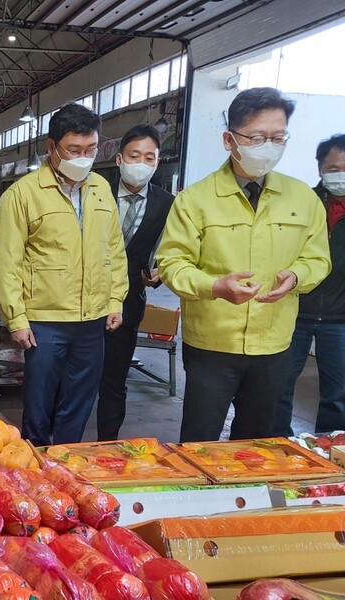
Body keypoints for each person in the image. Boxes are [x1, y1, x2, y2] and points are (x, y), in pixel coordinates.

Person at [156, 87, 331, 443]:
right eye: (257, 137)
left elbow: (317, 258)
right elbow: (173, 263)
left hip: (274, 343)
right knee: (200, 440)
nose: (269, 146)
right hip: (212, 343)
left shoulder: (304, 199)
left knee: (257, 442)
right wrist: (214, 286)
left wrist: (297, 276)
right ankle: (199, 497)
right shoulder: (196, 200)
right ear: (229, 140)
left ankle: (247, 499)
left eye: (278, 137)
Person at [0, 103, 128, 447]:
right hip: (44, 320)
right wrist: (16, 317)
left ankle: (66, 462)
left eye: (91, 150)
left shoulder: (100, 189)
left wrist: (115, 300)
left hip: (93, 318)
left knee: (80, 400)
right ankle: (35, 464)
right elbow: (9, 262)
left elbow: (114, 250)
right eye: (74, 150)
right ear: (52, 147)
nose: (83, 158)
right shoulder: (21, 195)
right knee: (39, 402)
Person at [96, 125, 174, 441]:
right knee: (73, 379)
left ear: (157, 162)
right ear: (119, 159)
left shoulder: (166, 203)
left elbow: (166, 250)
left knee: (114, 380)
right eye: (134, 155)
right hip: (82, 300)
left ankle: (107, 445)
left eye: (149, 157)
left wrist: (159, 273)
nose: (141, 163)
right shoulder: (95, 191)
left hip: (128, 303)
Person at [274, 134, 345, 436]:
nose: (339, 175)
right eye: (332, 168)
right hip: (294, 311)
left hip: (340, 319)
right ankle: (277, 448)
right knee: (278, 387)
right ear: (319, 169)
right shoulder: (301, 204)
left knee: (338, 396)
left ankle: (329, 456)